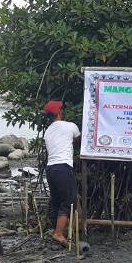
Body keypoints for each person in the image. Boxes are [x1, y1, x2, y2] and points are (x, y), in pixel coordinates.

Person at [42, 99, 81, 246]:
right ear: (59, 112)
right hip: (63, 168)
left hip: (50, 168)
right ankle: (58, 233)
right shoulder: (70, 126)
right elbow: (78, 139)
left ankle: (58, 230)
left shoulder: (48, 131)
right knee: (68, 201)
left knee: (57, 200)